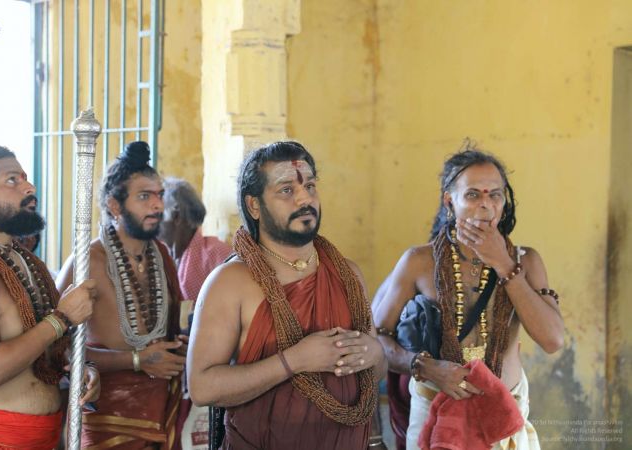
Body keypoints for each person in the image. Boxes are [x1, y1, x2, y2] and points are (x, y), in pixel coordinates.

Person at [187, 141, 387, 450]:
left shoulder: (347, 274)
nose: (305, 198)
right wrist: (294, 360)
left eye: (310, 186)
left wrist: (374, 353)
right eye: (286, 190)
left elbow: (377, 370)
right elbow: (202, 388)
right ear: (254, 206)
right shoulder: (230, 282)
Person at [372, 144, 564, 449]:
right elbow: (375, 339)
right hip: (434, 411)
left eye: (495, 195)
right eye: (473, 194)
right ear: (450, 201)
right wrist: (425, 367)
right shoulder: (419, 262)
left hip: (503, 415)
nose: (485, 205)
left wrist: (503, 263)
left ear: (504, 202)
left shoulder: (525, 261)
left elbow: (553, 340)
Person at [0, 136, 98, 449]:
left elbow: (36, 350)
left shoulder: (23, 260)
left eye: (25, 178)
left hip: (41, 436)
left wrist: (80, 369)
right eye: (12, 180)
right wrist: (61, 318)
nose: (29, 187)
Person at [56, 141, 187, 450]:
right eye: (144, 196)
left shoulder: (162, 255)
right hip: (106, 418)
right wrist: (137, 360)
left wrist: (181, 345)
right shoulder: (87, 262)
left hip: (162, 410)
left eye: (159, 195)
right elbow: (55, 348)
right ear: (114, 206)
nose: (157, 206)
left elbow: (176, 326)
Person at [159, 177, 231, 302]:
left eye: (158, 214)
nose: (153, 222)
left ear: (176, 216)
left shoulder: (217, 255)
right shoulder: (162, 256)